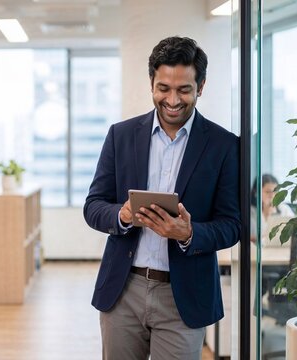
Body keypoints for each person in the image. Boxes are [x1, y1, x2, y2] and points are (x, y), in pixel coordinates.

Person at [83, 36, 240, 359]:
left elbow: (232, 225)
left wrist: (190, 233)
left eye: (184, 89)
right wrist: (123, 216)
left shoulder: (224, 146)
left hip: (183, 295)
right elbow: (93, 206)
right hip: (123, 290)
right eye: (163, 88)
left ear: (201, 86)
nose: (172, 99)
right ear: (151, 83)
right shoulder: (121, 135)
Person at [250, 173, 295, 244]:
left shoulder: (284, 208)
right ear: (256, 192)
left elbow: (295, 229)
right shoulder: (249, 211)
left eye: (275, 191)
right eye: (268, 192)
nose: (272, 195)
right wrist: (266, 215)